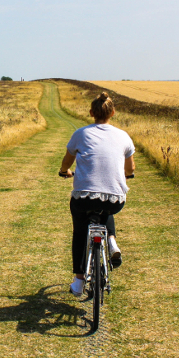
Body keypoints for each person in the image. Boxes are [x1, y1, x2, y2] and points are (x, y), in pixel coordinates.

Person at [59, 92, 135, 296]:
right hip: (115, 199)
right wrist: (128, 175)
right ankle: (111, 240)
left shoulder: (81, 134)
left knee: (79, 231)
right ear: (113, 112)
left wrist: (64, 171)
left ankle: (79, 280)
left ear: (91, 113)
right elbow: (130, 169)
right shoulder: (123, 136)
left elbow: (67, 162)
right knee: (107, 204)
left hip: (84, 197)